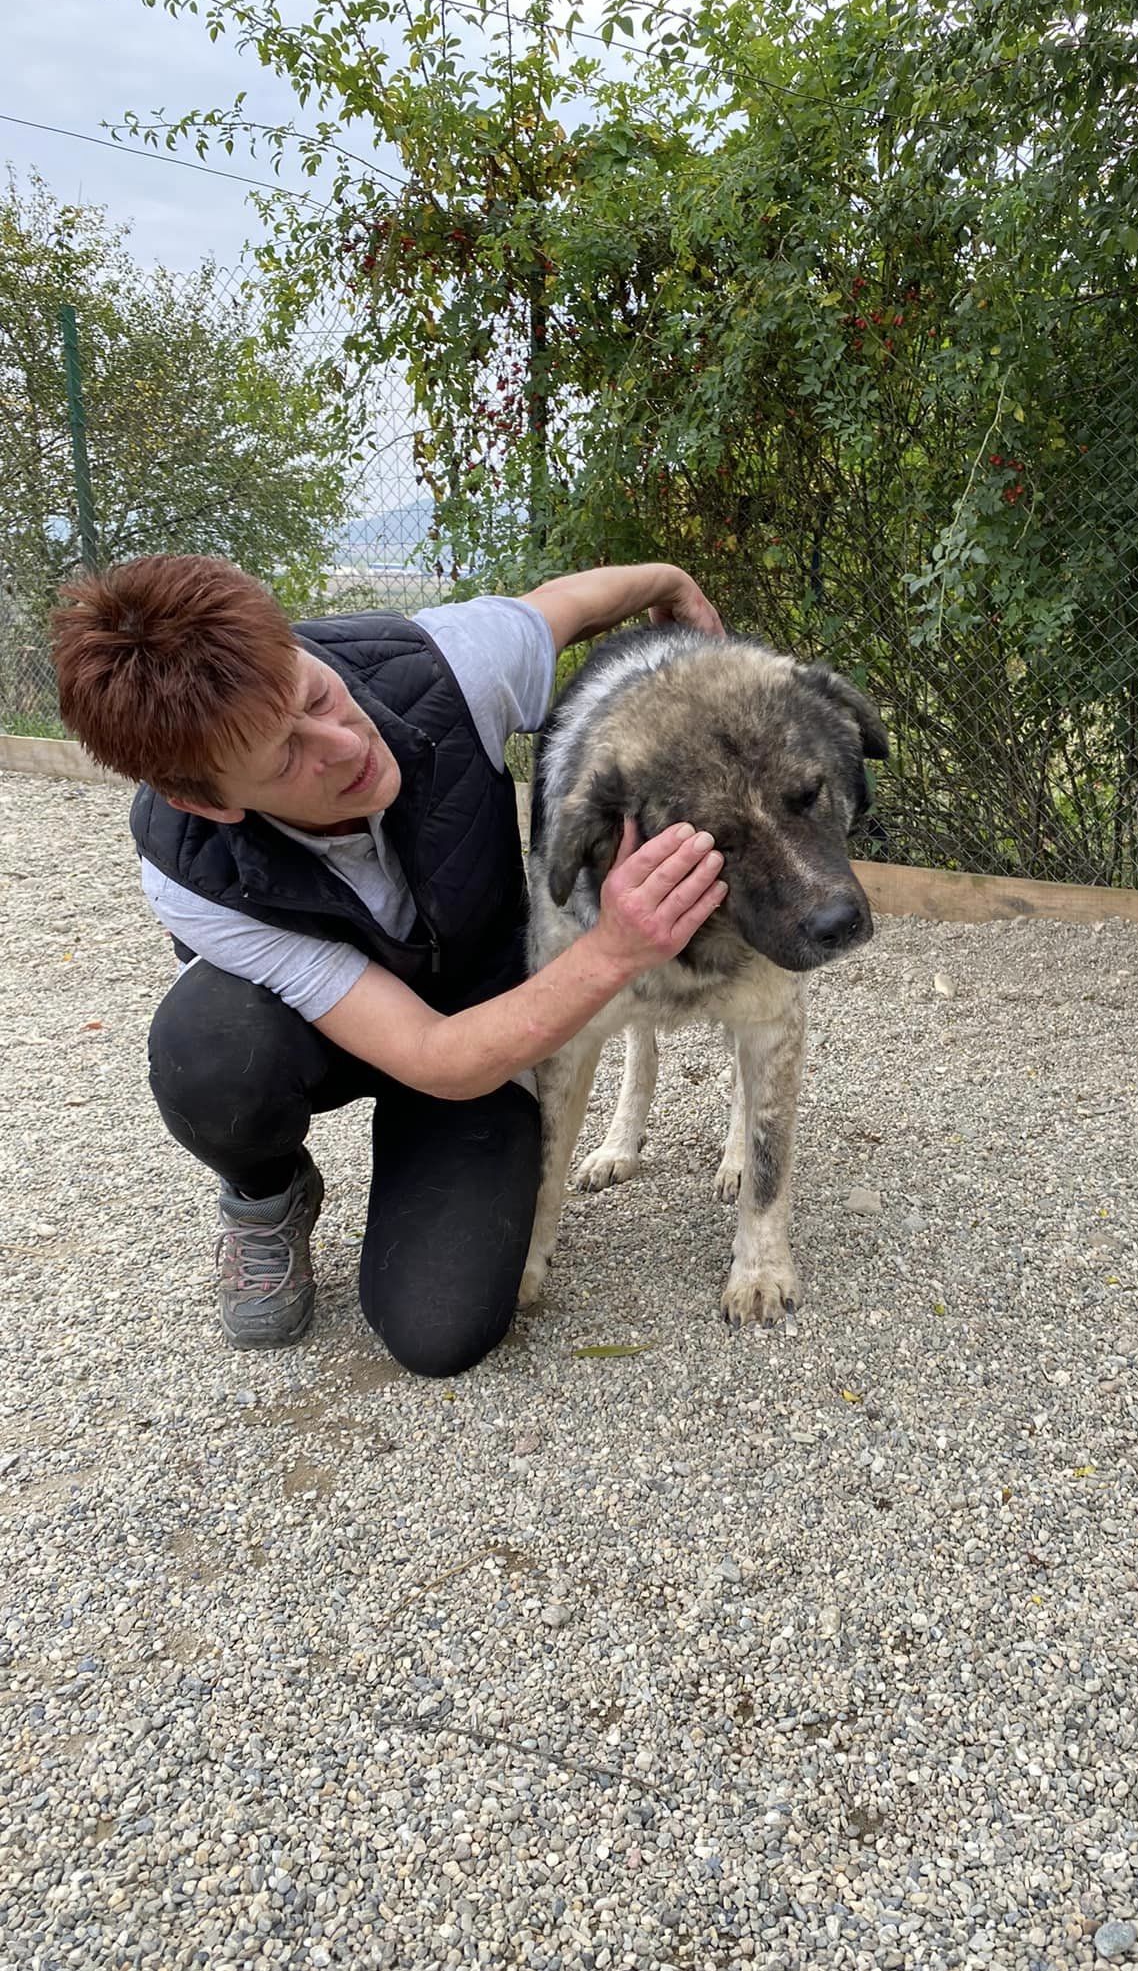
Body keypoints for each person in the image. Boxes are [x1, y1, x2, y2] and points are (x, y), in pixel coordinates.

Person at [49, 554, 729, 1376]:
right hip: (351, 1039)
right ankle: (266, 1195)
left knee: (440, 1330)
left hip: (481, 1010)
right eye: (286, 759)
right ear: (208, 801)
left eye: (316, 696)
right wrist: (615, 948)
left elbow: (567, 604)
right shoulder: (187, 872)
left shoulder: (447, 665)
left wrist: (669, 583)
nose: (346, 746)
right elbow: (431, 1055)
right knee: (210, 1047)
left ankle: (431, 1169)